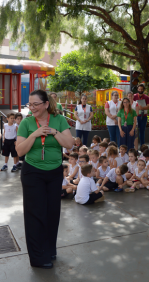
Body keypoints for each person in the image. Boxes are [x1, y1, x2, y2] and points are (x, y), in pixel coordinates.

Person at [16, 89, 73, 269]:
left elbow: (69, 144)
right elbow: (20, 151)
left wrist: (53, 131)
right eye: (29, 104)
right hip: (32, 172)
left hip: (55, 172)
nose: (32, 108)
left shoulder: (59, 119)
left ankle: (49, 249)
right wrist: (35, 134)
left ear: (46, 104)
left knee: (52, 212)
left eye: (35, 104)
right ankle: (38, 257)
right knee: (35, 215)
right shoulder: (26, 123)